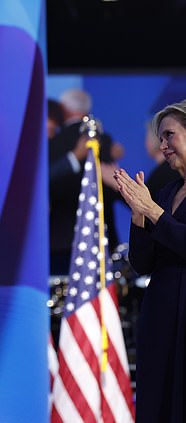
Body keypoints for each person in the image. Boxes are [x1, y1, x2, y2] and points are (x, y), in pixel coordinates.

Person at [114, 99, 186, 422]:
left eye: (169, 135)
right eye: (160, 138)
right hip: (160, 317)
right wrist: (139, 215)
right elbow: (143, 262)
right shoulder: (168, 191)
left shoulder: (161, 201)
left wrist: (153, 211)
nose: (163, 145)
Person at [49, 88, 122, 274]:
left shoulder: (54, 141)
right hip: (102, 237)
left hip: (63, 241)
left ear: (63, 109)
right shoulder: (104, 139)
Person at [143, 120, 180, 200]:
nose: (145, 142)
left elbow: (146, 207)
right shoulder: (177, 168)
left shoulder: (158, 177)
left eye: (147, 137)